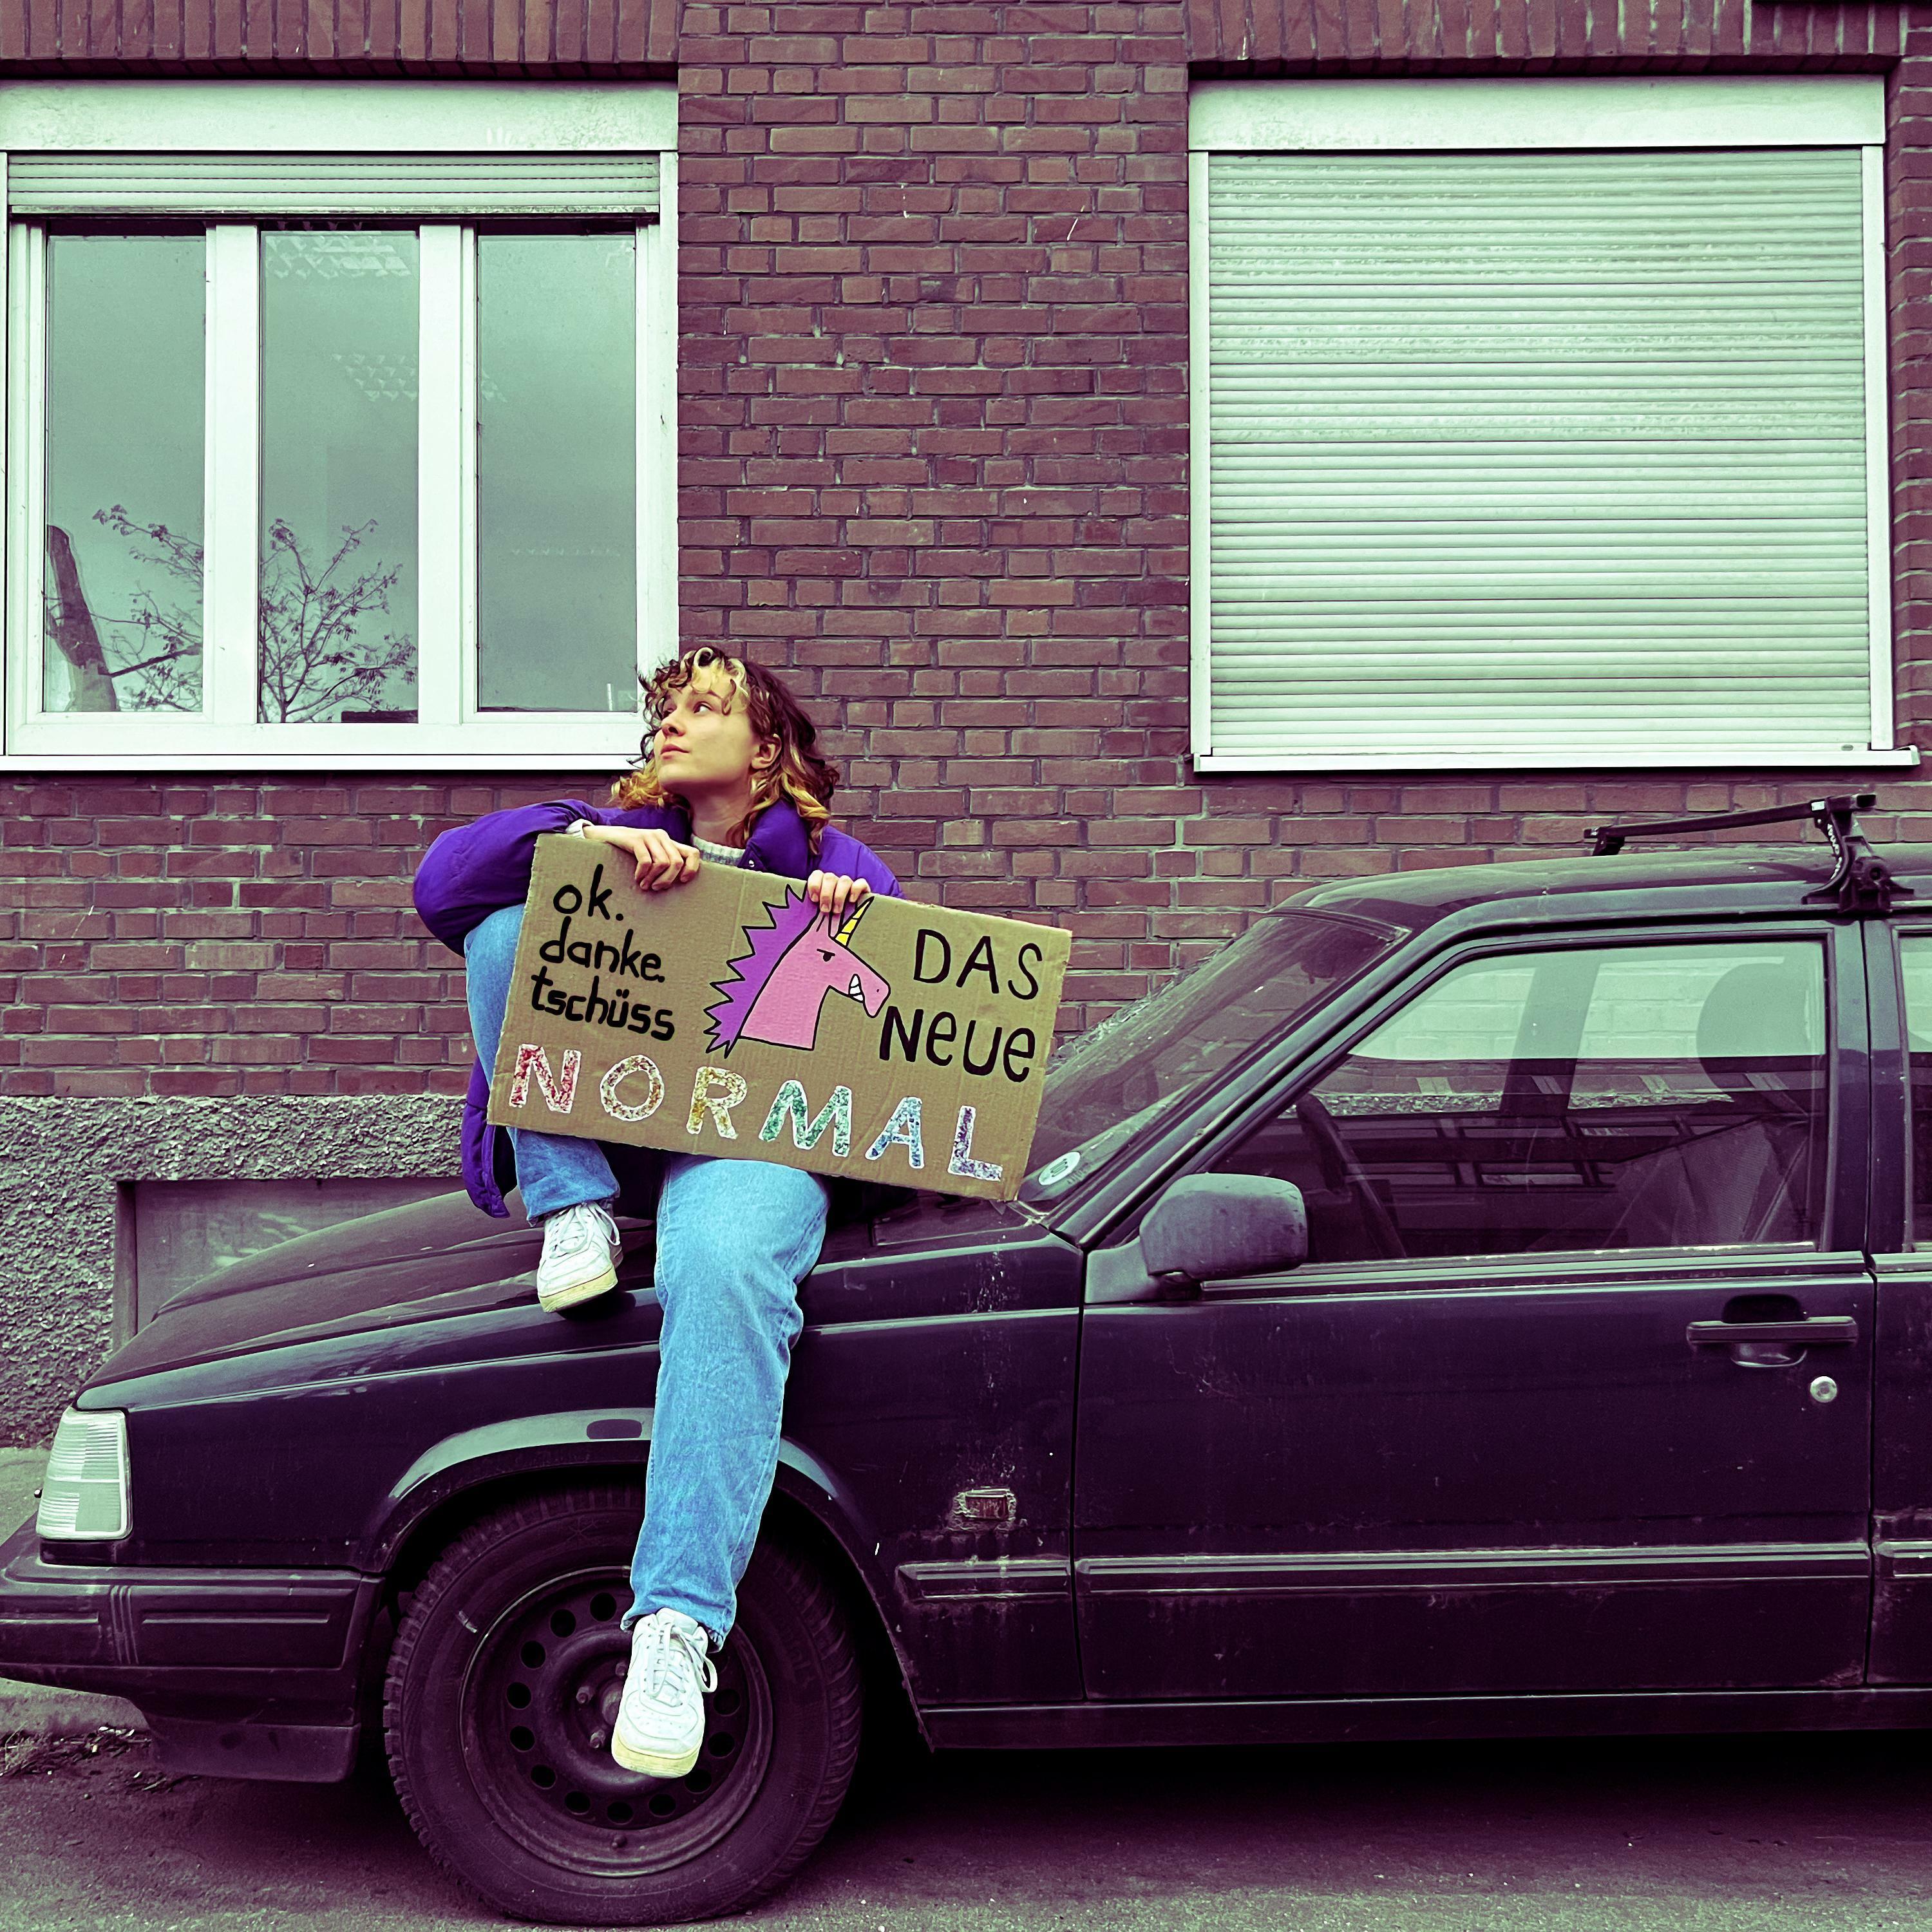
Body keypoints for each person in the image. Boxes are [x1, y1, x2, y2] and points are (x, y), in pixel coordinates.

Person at [412, 647, 901, 1781]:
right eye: (667, 710)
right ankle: (571, 1208)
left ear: (767, 746)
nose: (673, 723)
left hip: (749, 1141)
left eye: (705, 708)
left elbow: (899, 1023)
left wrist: (854, 920)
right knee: (504, 927)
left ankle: (676, 1630)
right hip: (619, 1128)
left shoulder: (836, 861)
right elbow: (442, 887)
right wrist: (579, 847)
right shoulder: (615, 831)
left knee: (727, 1275)